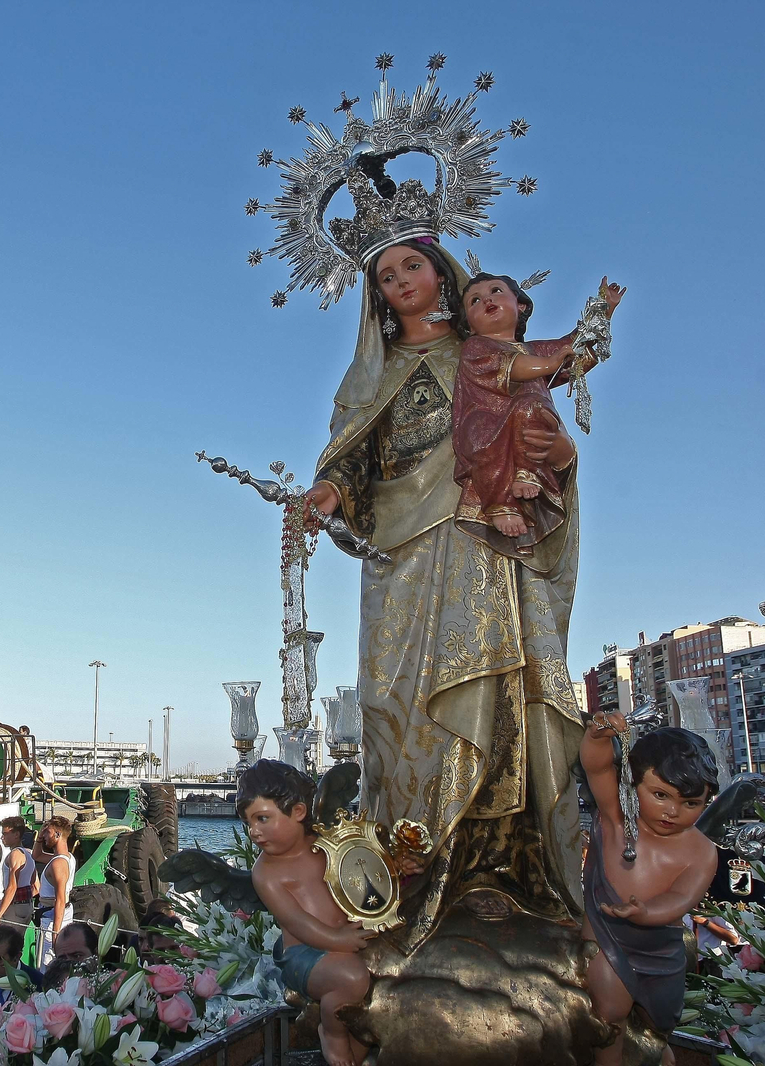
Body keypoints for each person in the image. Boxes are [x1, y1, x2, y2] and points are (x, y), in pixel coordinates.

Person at [305, 223, 601, 953]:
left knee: (496, 691)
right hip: (401, 557)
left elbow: (541, 421)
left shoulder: (481, 354)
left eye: (412, 265)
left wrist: (559, 454)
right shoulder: (368, 376)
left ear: (442, 272)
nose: (400, 282)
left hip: (482, 540)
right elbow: (353, 456)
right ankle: (412, 866)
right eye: (384, 277)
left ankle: (500, 867)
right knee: (400, 704)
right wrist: (327, 492)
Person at [448, 270, 624, 550]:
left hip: (525, 420)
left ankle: (527, 474)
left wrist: (604, 309)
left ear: (521, 305)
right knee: (529, 400)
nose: (487, 301)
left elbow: (575, 346)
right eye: (475, 301)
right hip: (485, 429)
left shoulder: (534, 348)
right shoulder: (476, 347)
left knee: (534, 407)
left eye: (496, 291)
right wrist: (549, 364)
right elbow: (515, 367)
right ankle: (500, 503)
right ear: (468, 323)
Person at [580, 720, 720, 1066]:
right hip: (606, 932)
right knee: (608, 1016)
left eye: (690, 803)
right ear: (633, 783)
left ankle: (658, 1052)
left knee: (662, 1023)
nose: (672, 811)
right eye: (660, 795)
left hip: (661, 945)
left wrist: (646, 912)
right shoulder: (617, 817)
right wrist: (597, 738)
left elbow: (682, 898)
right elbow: (597, 767)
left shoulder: (701, 851)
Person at [239, 760, 371, 1066]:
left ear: (298, 812)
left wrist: (398, 868)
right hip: (305, 954)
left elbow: (365, 868)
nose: (254, 832)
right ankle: (332, 1034)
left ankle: (358, 1043)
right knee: (351, 977)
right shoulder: (266, 873)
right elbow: (295, 921)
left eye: (262, 819)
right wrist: (336, 939)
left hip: (344, 938)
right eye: (250, 823)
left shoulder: (326, 844)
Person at [33, 815, 74, 969]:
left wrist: (55, 934)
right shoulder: (67, 858)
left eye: (47, 832)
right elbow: (36, 856)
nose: (43, 836)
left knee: (46, 965)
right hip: (58, 915)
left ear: (57, 835)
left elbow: (60, 900)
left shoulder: (58, 864)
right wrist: (39, 838)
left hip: (52, 919)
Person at [0, 816, 35, 929]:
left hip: (15, 907)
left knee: (7, 943)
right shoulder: (29, 853)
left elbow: (12, 887)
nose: (2, 837)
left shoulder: (15, 855)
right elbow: (36, 886)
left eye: (5, 834)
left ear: (16, 834)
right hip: (27, 906)